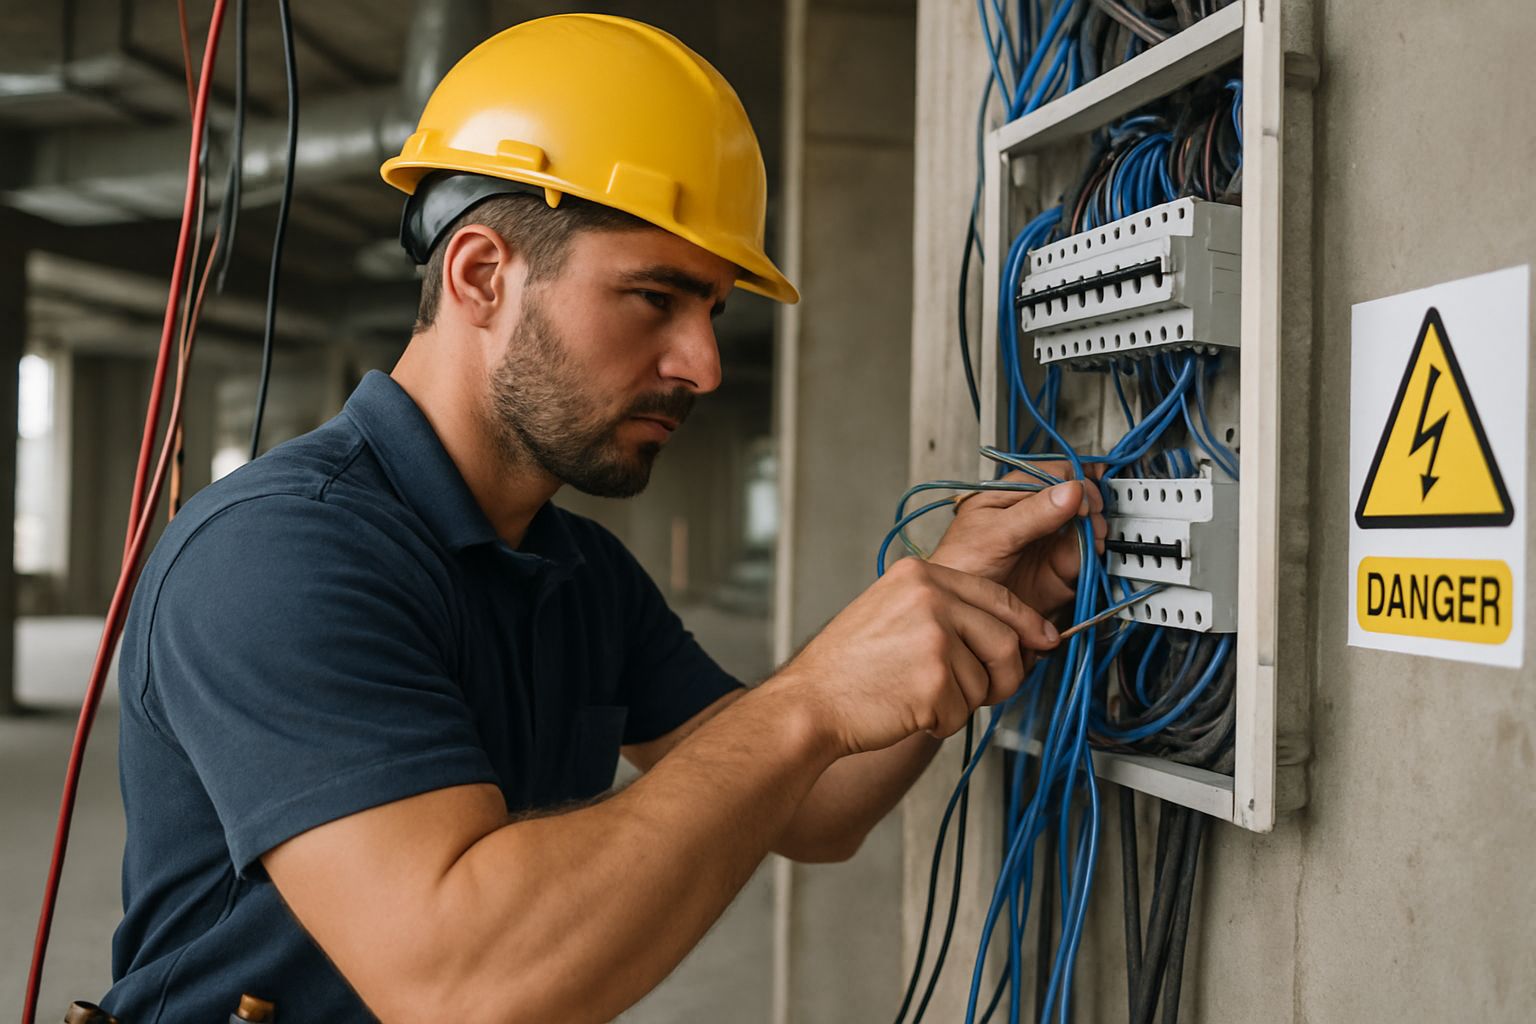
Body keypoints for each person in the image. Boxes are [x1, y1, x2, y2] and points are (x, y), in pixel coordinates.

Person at [101, 14, 1104, 1022]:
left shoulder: (577, 570)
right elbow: (459, 980)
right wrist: (808, 699)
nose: (703, 365)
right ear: (480, 275)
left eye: (713, 311)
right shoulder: (278, 555)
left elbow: (811, 806)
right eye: (655, 297)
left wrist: (959, 599)